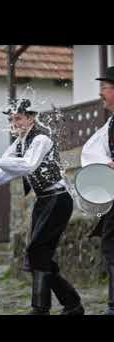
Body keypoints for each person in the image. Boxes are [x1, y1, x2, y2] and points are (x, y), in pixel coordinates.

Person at [0, 98, 84, 315]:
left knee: (37, 251)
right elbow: (4, 172)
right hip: (44, 200)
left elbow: (27, 165)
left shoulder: (41, 138)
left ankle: (42, 309)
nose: (14, 123)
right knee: (38, 254)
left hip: (58, 199)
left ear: (31, 117)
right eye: (11, 119)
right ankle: (72, 305)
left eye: (18, 118)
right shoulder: (20, 142)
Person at [81, 66, 114, 315]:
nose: (100, 93)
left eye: (105, 87)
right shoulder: (111, 124)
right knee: (110, 246)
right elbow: (93, 151)